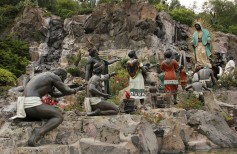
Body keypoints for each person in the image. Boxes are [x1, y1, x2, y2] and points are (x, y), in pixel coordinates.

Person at [10, 68, 86, 146]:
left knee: (48, 115)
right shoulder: (53, 76)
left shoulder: (44, 77)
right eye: (63, 79)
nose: (62, 81)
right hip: (31, 103)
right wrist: (77, 89)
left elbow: (55, 94)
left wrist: (74, 89)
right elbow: (66, 90)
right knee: (58, 116)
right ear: (60, 75)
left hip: (22, 104)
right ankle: (38, 132)